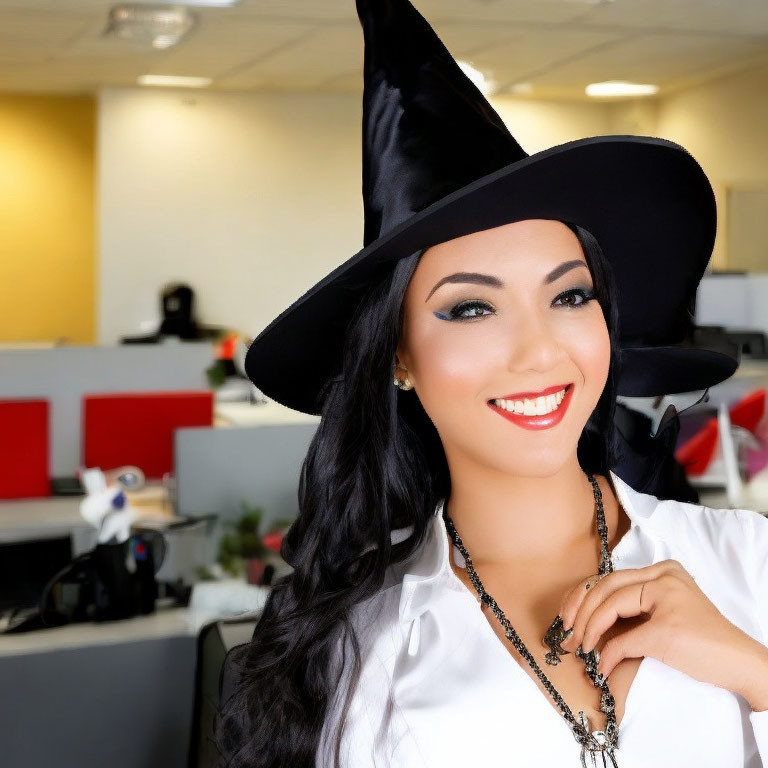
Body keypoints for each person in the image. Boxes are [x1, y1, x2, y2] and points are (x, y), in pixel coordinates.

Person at [214, 1, 767, 767]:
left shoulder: (747, 560)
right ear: (398, 357)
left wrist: (754, 672)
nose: (539, 350)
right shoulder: (363, 648)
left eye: (569, 295)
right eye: (471, 308)